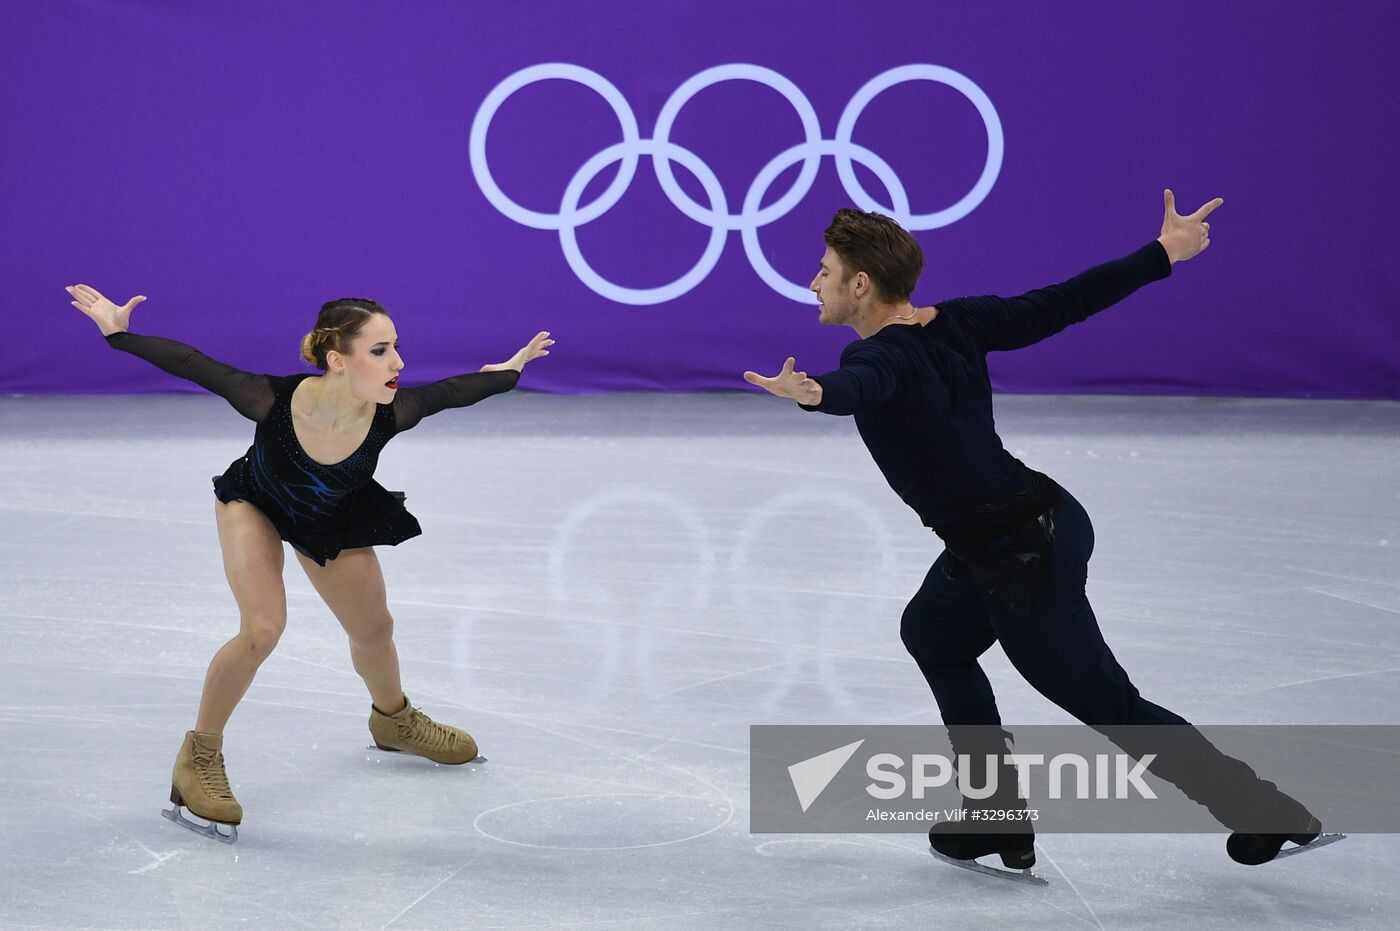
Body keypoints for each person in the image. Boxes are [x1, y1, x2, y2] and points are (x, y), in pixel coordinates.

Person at [742, 191, 1321, 869]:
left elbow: (857, 390)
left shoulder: (878, 361)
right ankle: (995, 812)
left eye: (824, 270)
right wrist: (1162, 253)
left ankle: (1263, 807)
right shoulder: (957, 323)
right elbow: (1062, 301)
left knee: (1107, 703)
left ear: (860, 284)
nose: (814, 281)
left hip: (1024, 553)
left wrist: (812, 394)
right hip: (1014, 528)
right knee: (933, 631)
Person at [67, 284, 552, 843]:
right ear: (336, 361)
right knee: (263, 628)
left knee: (375, 630)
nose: (398, 362)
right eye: (380, 351)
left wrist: (507, 373)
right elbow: (192, 363)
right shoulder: (268, 399)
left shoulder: (393, 413)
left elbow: (454, 391)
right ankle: (198, 757)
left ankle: (393, 722)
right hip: (255, 504)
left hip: (329, 519)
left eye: (395, 347)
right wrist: (118, 334)